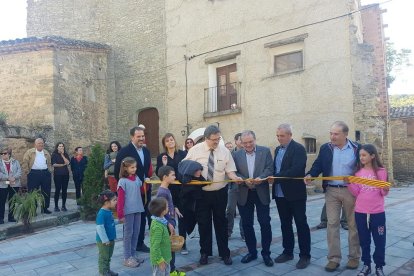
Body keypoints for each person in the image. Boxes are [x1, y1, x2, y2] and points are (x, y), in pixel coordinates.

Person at [305, 121, 361, 272]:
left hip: (351, 191)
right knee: (332, 224)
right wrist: (311, 174)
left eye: (336, 134)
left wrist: (356, 179)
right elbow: (318, 164)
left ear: (345, 134)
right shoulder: (326, 148)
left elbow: (364, 168)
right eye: (331, 133)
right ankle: (334, 259)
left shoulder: (357, 148)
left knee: (353, 225)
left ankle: (354, 258)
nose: (332, 136)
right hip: (331, 191)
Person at [184, 125, 242, 266]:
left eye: (218, 139)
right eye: (214, 139)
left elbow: (230, 171)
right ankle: (204, 253)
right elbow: (184, 166)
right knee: (204, 224)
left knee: (221, 223)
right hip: (201, 194)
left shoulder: (224, 151)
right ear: (206, 138)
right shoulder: (195, 150)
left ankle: (225, 253)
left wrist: (236, 178)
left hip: (220, 193)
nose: (217, 142)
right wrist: (194, 172)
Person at [270, 124, 311, 269]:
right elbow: (276, 168)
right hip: (280, 194)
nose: (279, 138)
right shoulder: (277, 150)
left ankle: (305, 255)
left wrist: (276, 177)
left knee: (301, 224)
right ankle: (288, 252)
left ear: (289, 135)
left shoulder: (298, 149)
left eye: (282, 136)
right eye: (278, 136)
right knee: (285, 224)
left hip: (296, 194)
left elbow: (296, 169)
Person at [233, 130, 274, 267]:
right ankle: (252, 252)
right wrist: (244, 180)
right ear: (241, 143)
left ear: (255, 140)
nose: (248, 145)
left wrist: (261, 178)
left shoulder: (265, 151)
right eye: (245, 143)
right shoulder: (236, 154)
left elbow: (270, 168)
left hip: (261, 191)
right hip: (244, 193)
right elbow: (234, 172)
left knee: (265, 223)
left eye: (250, 142)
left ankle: (266, 253)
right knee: (247, 224)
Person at [348, 144, 388, 276]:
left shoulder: (381, 171)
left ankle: (379, 266)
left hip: (377, 212)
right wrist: (349, 183)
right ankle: (366, 265)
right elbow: (356, 192)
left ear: (372, 156)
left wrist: (385, 189)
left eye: (364, 155)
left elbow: (383, 193)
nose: (361, 157)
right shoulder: (358, 173)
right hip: (361, 212)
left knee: (379, 240)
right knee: (364, 240)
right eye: (360, 155)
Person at [114, 126, 153, 253]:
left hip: (144, 191)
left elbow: (146, 170)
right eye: (138, 136)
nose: (141, 138)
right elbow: (116, 173)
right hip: (130, 193)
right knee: (130, 223)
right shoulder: (124, 151)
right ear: (132, 137)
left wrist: (146, 179)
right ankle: (129, 248)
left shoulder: (146, 151)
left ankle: (139, 243)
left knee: (141, 219)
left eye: (143, 136)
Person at [156, 133, 187, 254]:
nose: (170, 142)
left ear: (175, 140)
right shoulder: (161, 156)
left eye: (171, 139)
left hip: (182, 189)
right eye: (167, 141)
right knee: (168, 215)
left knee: (182, 216)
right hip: (169, 189)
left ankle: (183, 243)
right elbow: (160, 173)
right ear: (164, 144)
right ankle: (169, 241)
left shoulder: (182, 154)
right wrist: (164, 164)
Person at [156, 166, 185, 276]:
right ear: (165, 177)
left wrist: (175, 208)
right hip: (167, 225)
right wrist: (168, 223)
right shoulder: (162, 192)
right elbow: (160, 212)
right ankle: (170, 271)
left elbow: (168, 204)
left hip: (171, 222)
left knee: (171, 248)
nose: (175, 177)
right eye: (172, 175)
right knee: (168, 249)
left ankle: (172, 270)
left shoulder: (166, 189)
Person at [116, 157, 145, 268]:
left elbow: (141, 190)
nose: (134, 169)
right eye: (132, 167)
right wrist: (120, 214)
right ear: (125, 168)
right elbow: (120, 199)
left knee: (136, 232)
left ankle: (133, 255)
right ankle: (127, 257)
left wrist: (145, 183)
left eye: (135, 167)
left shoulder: (136, 178)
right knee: (128, 234)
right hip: (128, 211)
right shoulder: (122, 181)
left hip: (138, 208)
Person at [22, 138, 53, 214]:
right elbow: (25, 162)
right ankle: (33, 210)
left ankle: (44, 208)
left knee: (46, 192)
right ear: (35, 144)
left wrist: (50, 171)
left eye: (42, 143)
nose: (40, 144)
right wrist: (27, 172)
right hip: (33, 174)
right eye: (39, 143)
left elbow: (49, 163)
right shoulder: (29, 152)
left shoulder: (46, 152)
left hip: (45, 173)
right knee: (33, 192)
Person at [177, 160, 205, 242]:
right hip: (183, 204)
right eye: (197, 170)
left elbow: (205, 182)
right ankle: (182, 244)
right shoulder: (182, 177)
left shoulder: (199, 177)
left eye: (200, 169)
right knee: (182, 223)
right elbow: (181, 192)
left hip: (194, 205)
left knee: (192, 221)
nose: (200, 171)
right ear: (191, 170)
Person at [96, 190, 119, 276]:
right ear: (106, 202)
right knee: (104, 257)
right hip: (104, 241)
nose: (116, 202)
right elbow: (99, 227)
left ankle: (107, 270)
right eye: (114, 200)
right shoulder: (101, 213)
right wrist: (105, 240)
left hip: (110, 238)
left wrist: (118, 221)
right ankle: (103, 272)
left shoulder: (108, 211)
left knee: (108, 256)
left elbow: (110, 222)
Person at [149, 197, 172, 276]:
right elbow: (155, 246)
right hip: (160, 260)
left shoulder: (162, 220)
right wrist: (160, 260)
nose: (168, 207)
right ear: (163, 211)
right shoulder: (157, 226)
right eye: (167, 206)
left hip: (165, 257)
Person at [0, 146, 22, 224]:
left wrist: (13, 178)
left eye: (4, 153)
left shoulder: (15, 162)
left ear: (9, 154)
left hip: (14, 184)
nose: (3, 155)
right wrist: (8, 177)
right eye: (1, 153)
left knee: (12, 201)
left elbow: (19, 172)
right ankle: (1, 218)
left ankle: (11, 217)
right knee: (1, 202)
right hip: (3, 185)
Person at [51, 142, 70, 212]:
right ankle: (56, 206)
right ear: (57, 147)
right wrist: (62, 165)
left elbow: (67, 163)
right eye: (60, 146)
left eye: (62, 146)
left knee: (64, 190)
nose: (61, 147)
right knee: (58, 190)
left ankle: (63, 206)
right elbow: (54, 164)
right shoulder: (54, 155)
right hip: (57, 175)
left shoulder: (65, 154)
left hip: (65, 174)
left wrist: (62, 155)